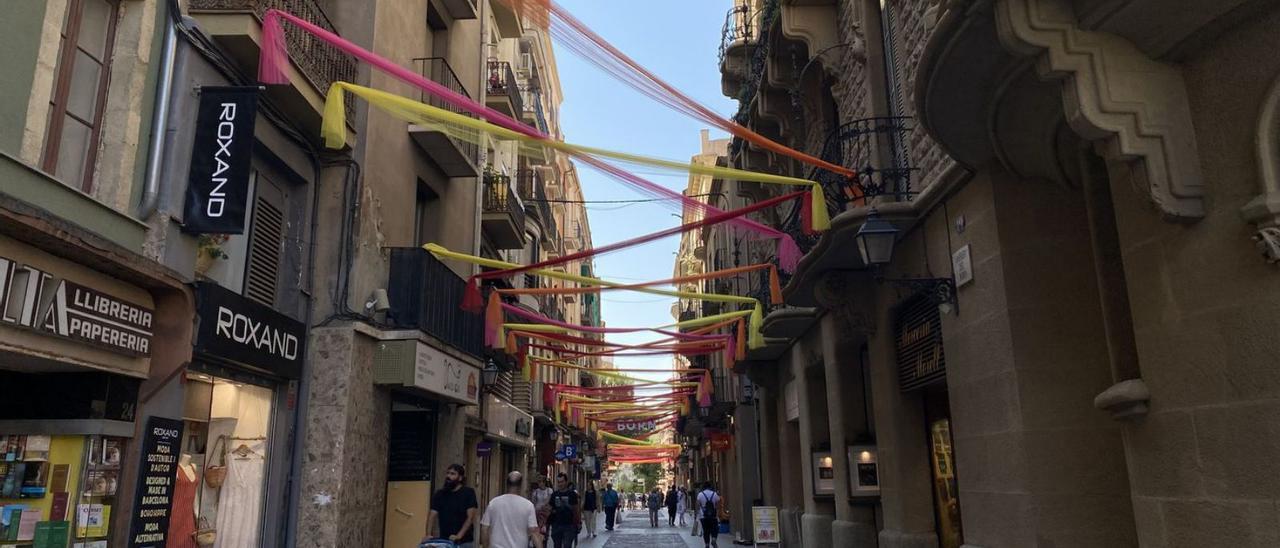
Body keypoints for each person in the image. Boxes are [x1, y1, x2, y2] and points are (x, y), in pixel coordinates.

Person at [480, 471, 543, 548]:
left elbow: (484, 528)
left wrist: (485, 546)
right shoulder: (528, 506)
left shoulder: (494, 503)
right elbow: (534, 532)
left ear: (506, 484)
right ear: (521, 485)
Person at [426, 464, 478, 547]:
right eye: (448, 473)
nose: (448, 476)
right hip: (444, 541)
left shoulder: (468, 493)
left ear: (460, 478)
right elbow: (432, 515)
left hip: (464, 542)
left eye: (453, 474)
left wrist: (459, 535)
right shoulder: (440, 494)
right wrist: (428, 535)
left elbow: (470, 517)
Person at [547, 473, 580, 548]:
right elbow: (550, 508)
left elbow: (576, 509)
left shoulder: (572, 494)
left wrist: (578, 522)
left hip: (569, 525)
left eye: (562, 482)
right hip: (556, 524)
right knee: (557, 545)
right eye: (558, 482)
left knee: (567, 545)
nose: (560, 484)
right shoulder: (554, 494)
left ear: (566, 482)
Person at [696, 481, 721, 548]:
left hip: (703, 516)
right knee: (714, 529)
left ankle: (707, 544)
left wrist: (697, 515)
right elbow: (718, 506)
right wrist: (717, 515)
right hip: (713, 516)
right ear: (710, 487)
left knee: (706, 531)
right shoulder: (714, 494)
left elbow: (698, 506)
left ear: (704, 487)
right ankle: (713, 539)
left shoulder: (700, 494)